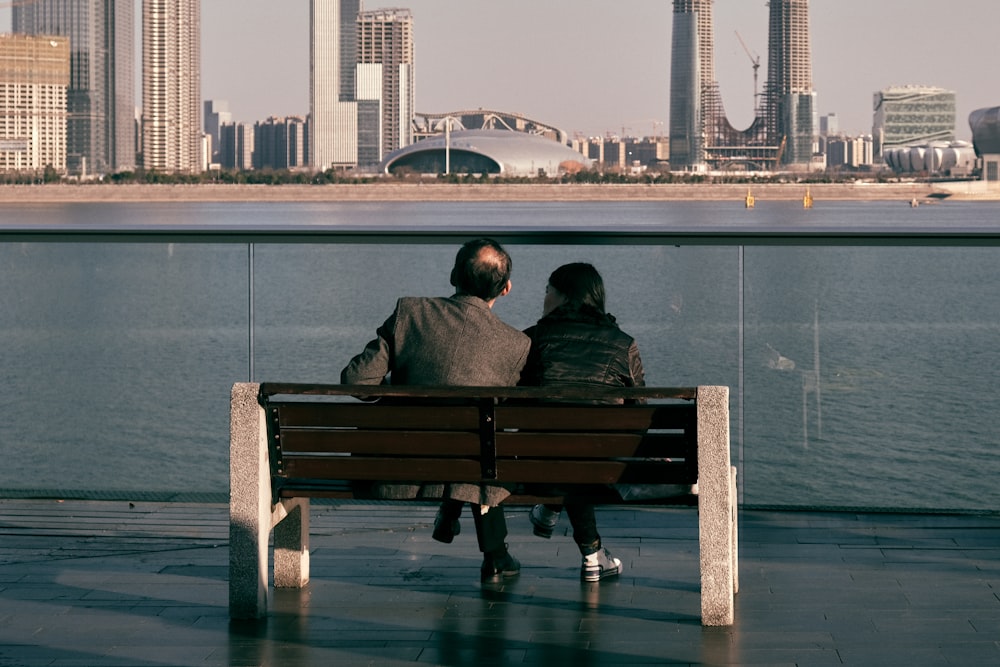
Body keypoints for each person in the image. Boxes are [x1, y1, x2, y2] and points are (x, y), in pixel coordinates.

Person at [340, 238, 530, 583]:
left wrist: (396, 398)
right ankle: (495, 554)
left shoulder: (409, 313)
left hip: (399, 461)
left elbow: (357, 380)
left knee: (473, 443)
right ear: (506, 289)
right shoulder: (517, 345)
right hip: (472, 465)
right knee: (486, 444)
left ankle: (460, 517)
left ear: (453, 275)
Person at [520, 262, 645, 582]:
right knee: (580, 449)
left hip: (533, 466)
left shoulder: (532, 340)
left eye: (548, 291)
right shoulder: (622, 342)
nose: (544, 298)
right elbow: (639, 412)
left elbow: (511, 402)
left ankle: (553, 512)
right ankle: (592, 555)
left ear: (563, 297)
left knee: (560, 444)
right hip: (602, 469)